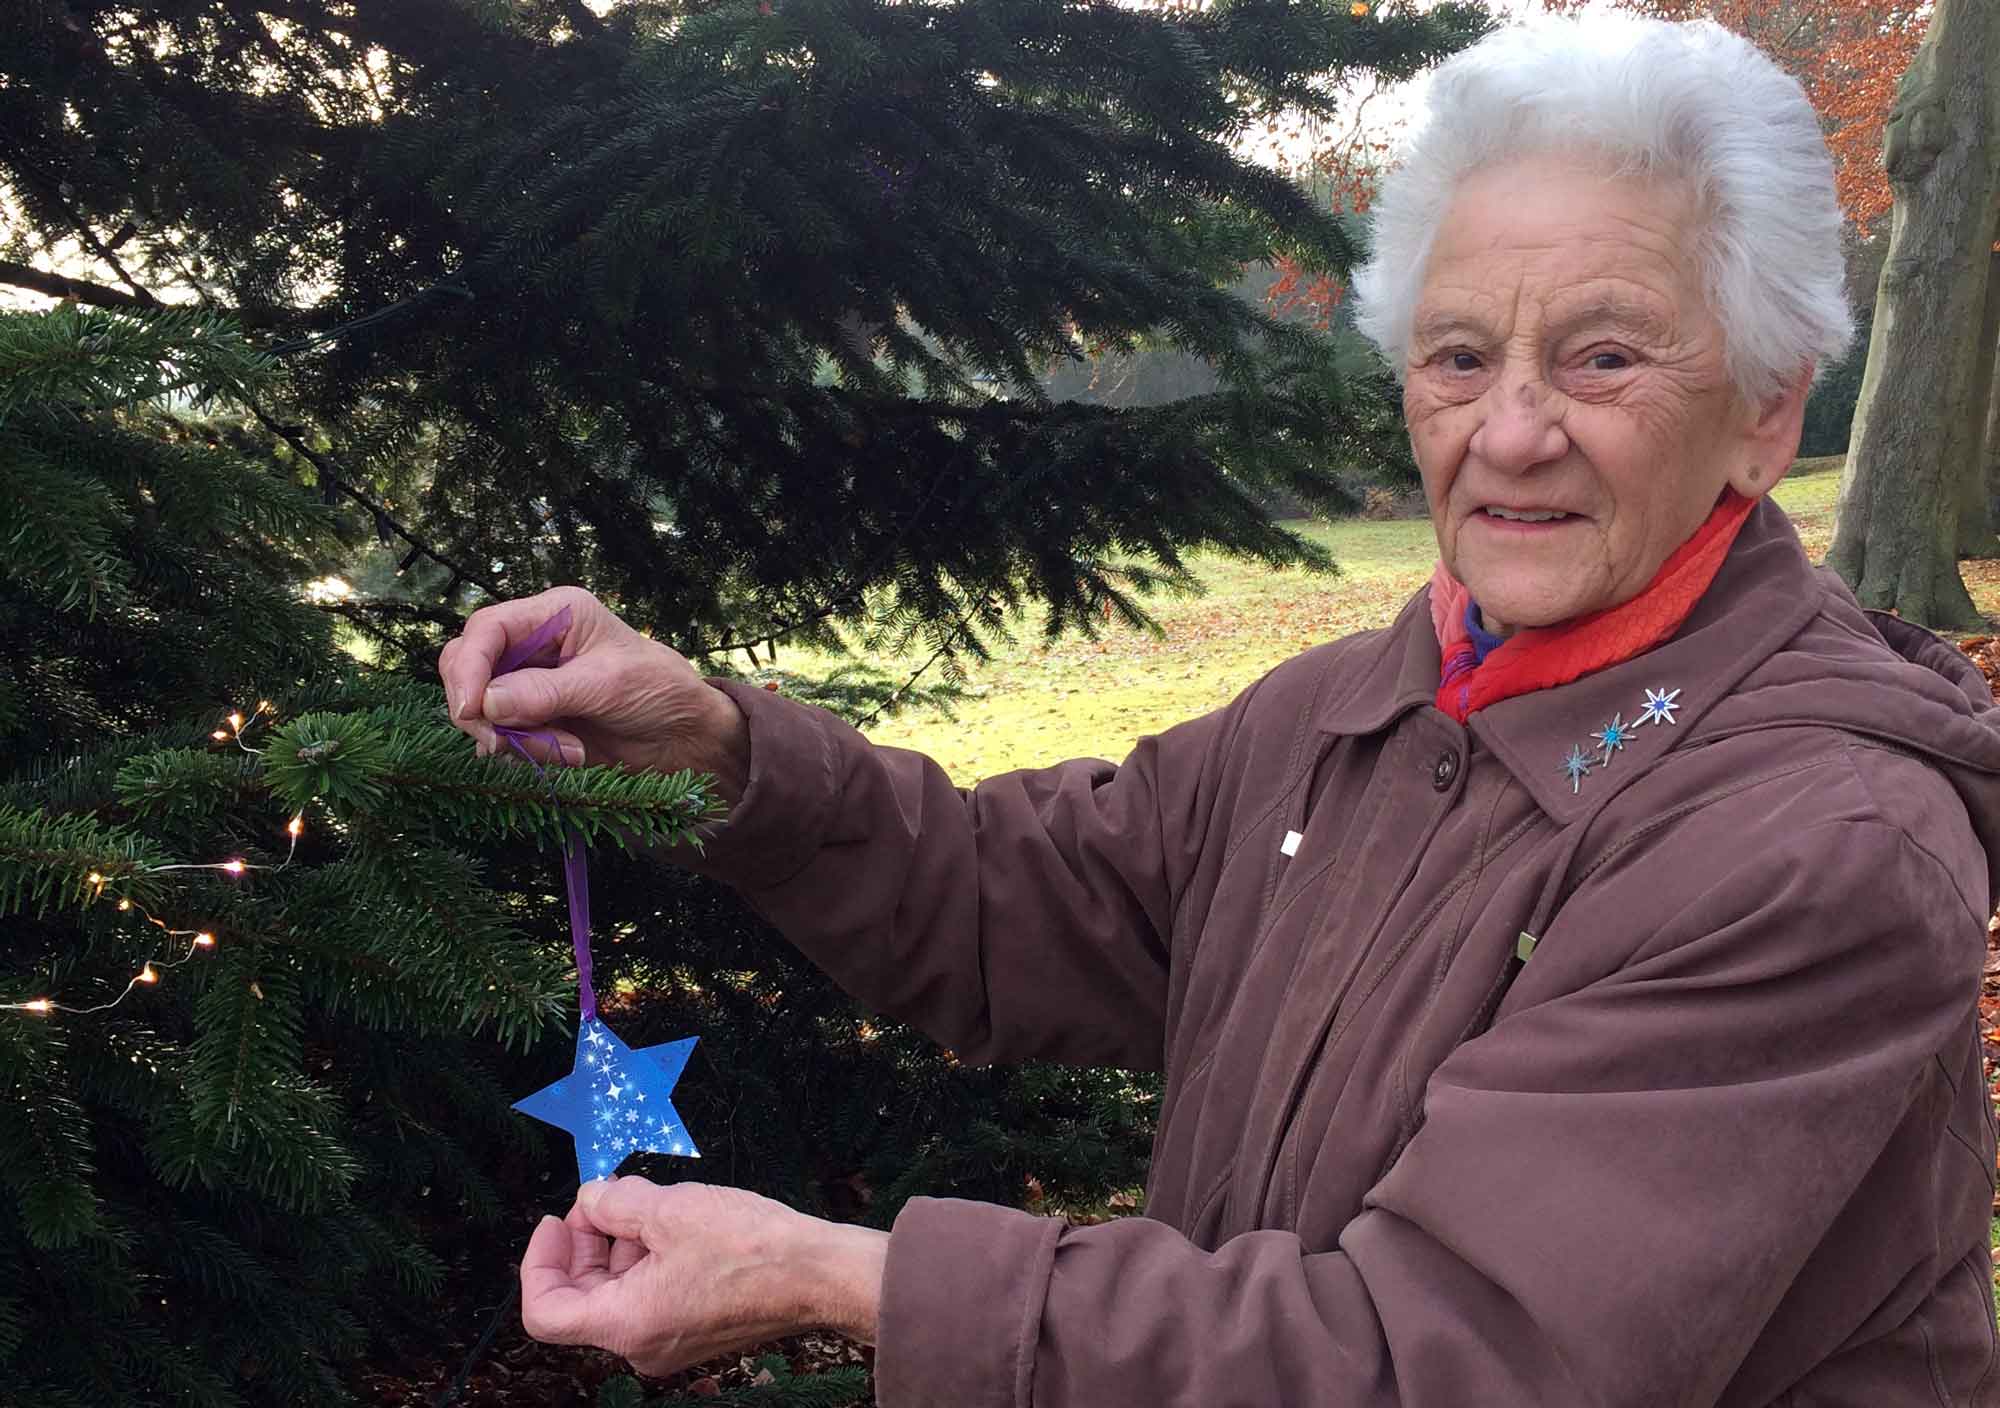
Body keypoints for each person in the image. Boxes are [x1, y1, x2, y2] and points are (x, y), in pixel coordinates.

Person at [440, 16, 2000, 1405]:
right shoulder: (1356, 711)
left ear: (1768, 406)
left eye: (1602, 355)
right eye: (1459, 356)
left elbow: (1435, 1358)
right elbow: (1011, 899)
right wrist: (716, 743)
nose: (1513, 432)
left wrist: (846, 1280)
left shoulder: (1815, 848)